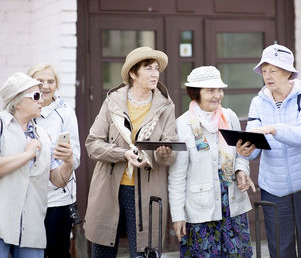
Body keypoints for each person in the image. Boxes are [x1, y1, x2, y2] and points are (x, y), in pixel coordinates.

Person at [84, 47, 178, 257]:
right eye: (148, 69)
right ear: (133, 74)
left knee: (145, 252)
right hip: (110, 190)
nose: (155, 74)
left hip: (149, 191)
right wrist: (122, 154)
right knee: (103, 252)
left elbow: (171, 151)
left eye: (157, 69)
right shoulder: (111, 103)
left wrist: (160, 153)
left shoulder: (166, 107)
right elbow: (93, 143)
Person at [236, 44, 301, 258]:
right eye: (264, 71)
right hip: (274, 188)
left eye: (273, 71)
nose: (267, 76)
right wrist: (246, 151)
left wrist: (274, 129)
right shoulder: (258, 102)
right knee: (279, 250)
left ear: (288, 72)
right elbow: (255, 142)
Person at [169, 66, 256, 257]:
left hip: (233, 203)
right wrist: (178, 216)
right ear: (196, 93)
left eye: (219, 90)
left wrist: (241, 170)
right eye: (210, 90)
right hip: (200, 209)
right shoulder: (183, 125)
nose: (217, 95)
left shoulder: (230, 117)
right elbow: (177, 176)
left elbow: (240, 154)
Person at [0, 72, 74, 258]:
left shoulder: (43, 135)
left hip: (32, 228)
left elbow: (58, 180)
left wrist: (68, 162)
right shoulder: (2, 127)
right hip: (2, 224)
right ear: (17, 102)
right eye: (35, 96)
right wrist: (27, 155)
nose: (41, 100)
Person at [27, 63, 81, 258]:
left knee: (57, 252)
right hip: (29, 198)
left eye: (51, 81)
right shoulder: (22, 112)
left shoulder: (65, 113)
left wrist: (66, 158)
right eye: (40, 81)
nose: (46, 86)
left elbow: (75, 158)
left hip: (58, 198)